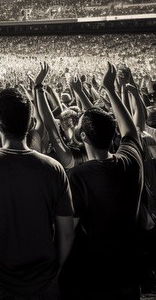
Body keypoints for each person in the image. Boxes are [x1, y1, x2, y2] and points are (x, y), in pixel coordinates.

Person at [0, 85, 75, 300]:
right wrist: (57, 267)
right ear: (30, 124)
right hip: (44, 279)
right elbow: (67, 232)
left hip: (0, 279)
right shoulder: (54, 168)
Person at [57, 62, 144, 300]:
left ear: (83, 136)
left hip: (92, 276)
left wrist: (57, 268)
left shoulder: (78, 176)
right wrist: (110, 89)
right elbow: (130, 131)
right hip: (128, 270)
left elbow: (68, 233)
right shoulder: (131, 161)